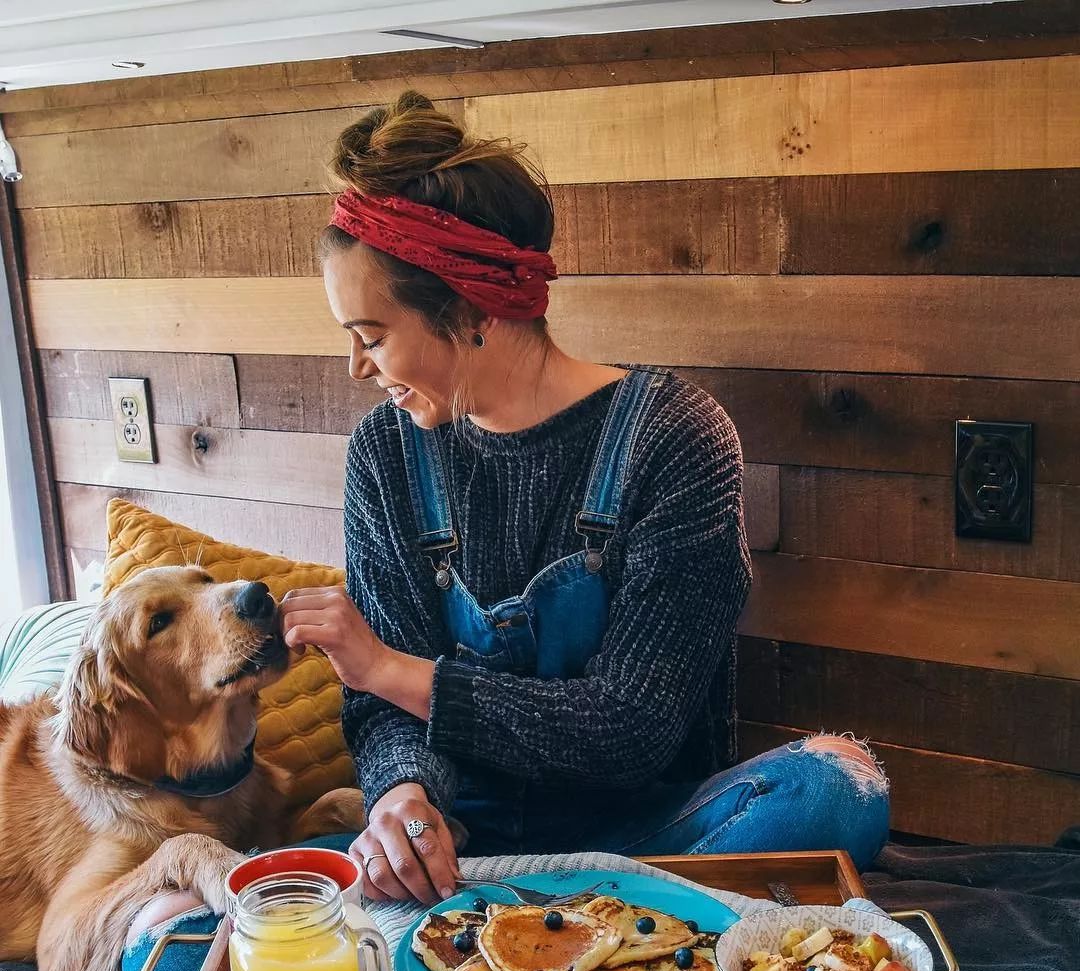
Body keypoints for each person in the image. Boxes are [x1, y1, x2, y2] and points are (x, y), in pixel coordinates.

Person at [280, 91, 889, 906]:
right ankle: (578, 941)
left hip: (649, 839)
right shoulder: (385, 452)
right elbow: (382, 709)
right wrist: (403, 800)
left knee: (836, 790)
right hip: (466, 851)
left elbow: (630, 730)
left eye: (371, 335)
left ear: (467, 310)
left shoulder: (674, 436)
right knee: (200, 939)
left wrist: (392, 669)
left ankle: (524, 941)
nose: (358, 367)